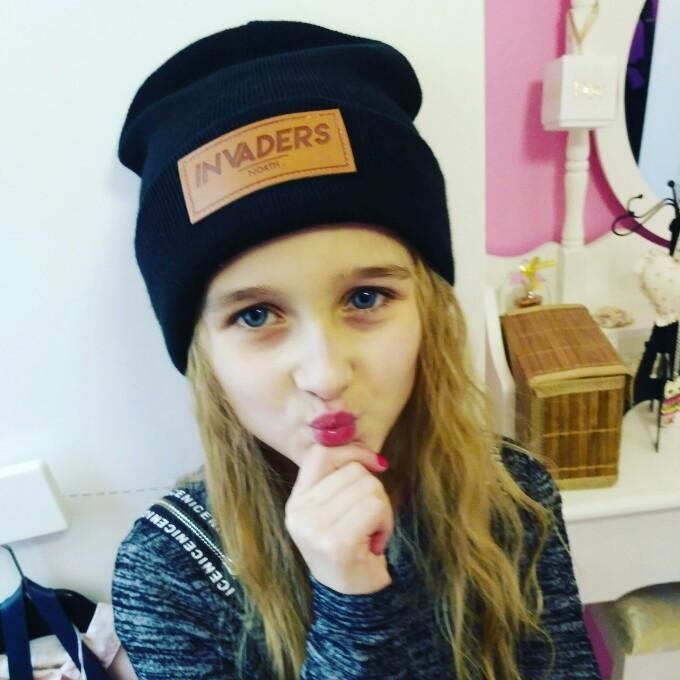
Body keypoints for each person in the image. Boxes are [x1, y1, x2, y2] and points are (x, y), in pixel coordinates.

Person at [111, 19, 600, 680]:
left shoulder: (512, 493)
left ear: (428, 311)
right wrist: (350, 602)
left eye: (366, 298)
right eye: (256, 315)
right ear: (204, 355)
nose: (325, 375)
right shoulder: (169, 570)